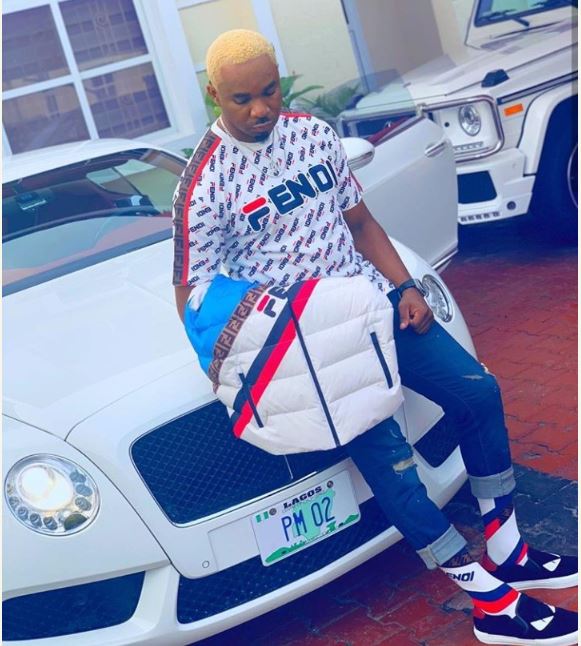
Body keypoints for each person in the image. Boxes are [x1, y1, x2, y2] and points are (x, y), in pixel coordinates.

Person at [172, 29, 577, 645]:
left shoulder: (313, 134)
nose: (260, 109)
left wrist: (405, 286)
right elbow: (192, 296)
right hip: (310, 348)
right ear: (213, 95)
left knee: (477, 392)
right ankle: (487, 599)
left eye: (269, 91)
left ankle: (508, 548)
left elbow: (359, 222)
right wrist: (239, 365)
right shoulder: (204, 183)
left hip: (373, 305)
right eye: (241, 99)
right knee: (393, 466)